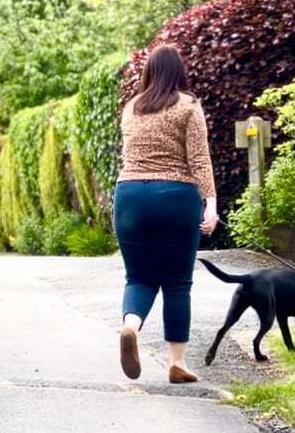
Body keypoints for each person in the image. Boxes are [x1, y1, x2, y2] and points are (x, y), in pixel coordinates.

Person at [114, 44, 218, 383]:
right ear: (179, 72)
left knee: (139, 277)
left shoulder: (132, 108)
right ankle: (177, 363)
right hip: (175, 195)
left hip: (130, 196)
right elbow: (199, 159)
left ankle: (130, 326)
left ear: (148, 73)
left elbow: (128, 154)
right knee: (176, 283)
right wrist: (211, 203)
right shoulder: (188, 106)